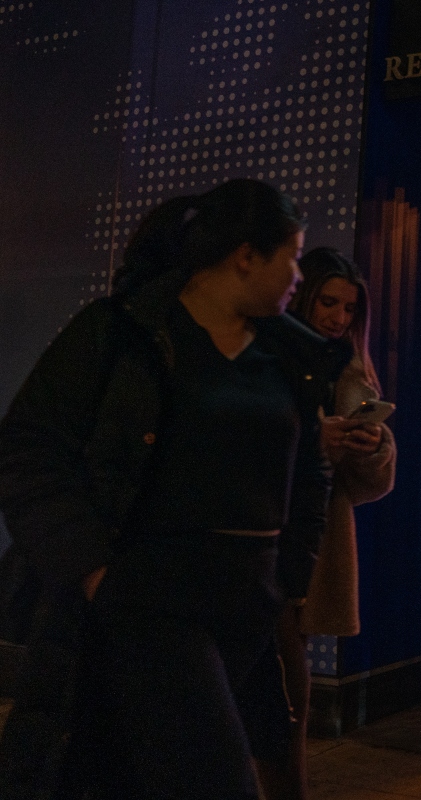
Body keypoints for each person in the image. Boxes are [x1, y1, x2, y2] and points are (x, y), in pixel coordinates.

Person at [0, 179, 349, 798]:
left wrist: (291, 577)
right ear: (246, 255)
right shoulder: (124, 333)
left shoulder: (290, 356)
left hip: (246, 605)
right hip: (151, 598)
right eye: (291, 256)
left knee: (128, 772)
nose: (299, 275)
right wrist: (91, 569)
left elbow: (308, 474)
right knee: (217, 776)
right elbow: (30, 447)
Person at [256, 248, 395, 800]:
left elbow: (372, 484)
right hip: (264, 534)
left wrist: (370, 444)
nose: (338, 317)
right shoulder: (267, 354)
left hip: (311, 538)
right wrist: (315, 442)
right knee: (284, 677)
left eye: (349, 308)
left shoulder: (350, 368)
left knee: (289, 678)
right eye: (328, 301)